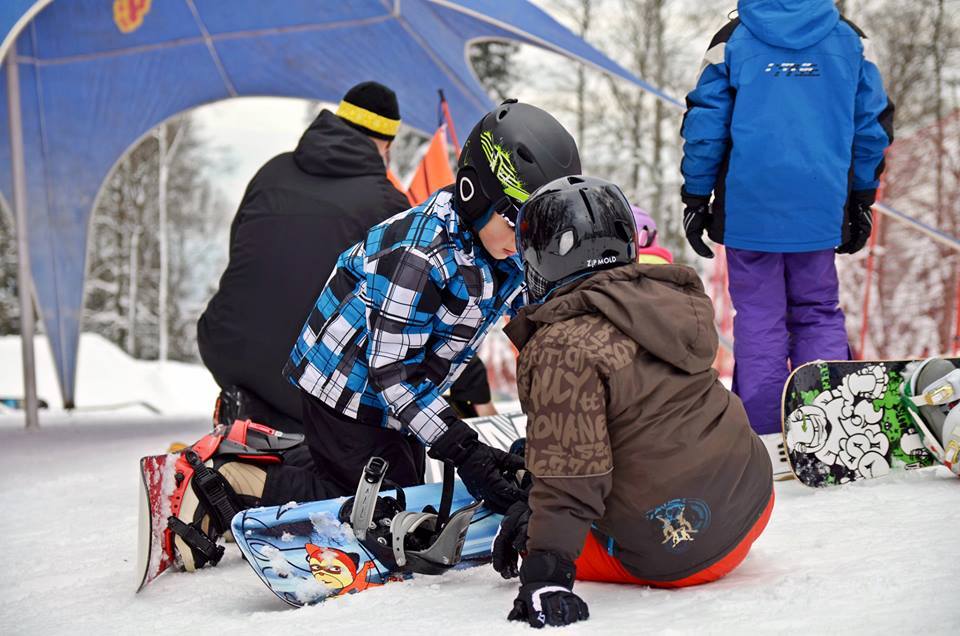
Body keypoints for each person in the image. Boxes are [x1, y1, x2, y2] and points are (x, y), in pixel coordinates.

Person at [495, 176, 773, 629]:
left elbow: (573, 475)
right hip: (752, 501)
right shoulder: (668, 299)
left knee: (532, 523)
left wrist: (545, 568)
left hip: (682, 551)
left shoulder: (559, 346)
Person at [283, 99, 582, 511]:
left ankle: (297, 461)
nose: (524, 241)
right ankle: (236, 481)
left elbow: (542, 319)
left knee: (406, 488)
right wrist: (466, 450)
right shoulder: (420, 254)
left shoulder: (504, 246)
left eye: (538, 230)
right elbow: (392, 373)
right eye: (518, 223)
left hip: (401, 384)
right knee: (379, 508)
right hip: (344, 386)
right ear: (475, 194)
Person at [679, 0, 895, 467]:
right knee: (817, 311)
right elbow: (871, 124)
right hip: (819, 203)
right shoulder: (850, 40)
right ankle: (834, 429)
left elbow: (705, 124)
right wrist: (862, 196)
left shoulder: (732, 40)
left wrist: (696, 195)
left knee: (759, 316)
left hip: (750, 207)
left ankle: (766, 436)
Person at [197, 81, 410, 435]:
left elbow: (240, 252)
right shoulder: (387, 203)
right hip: (304, 375)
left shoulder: (271, 171)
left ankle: (255, 418)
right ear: (386, 144)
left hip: (225, 346)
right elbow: (403, 307)